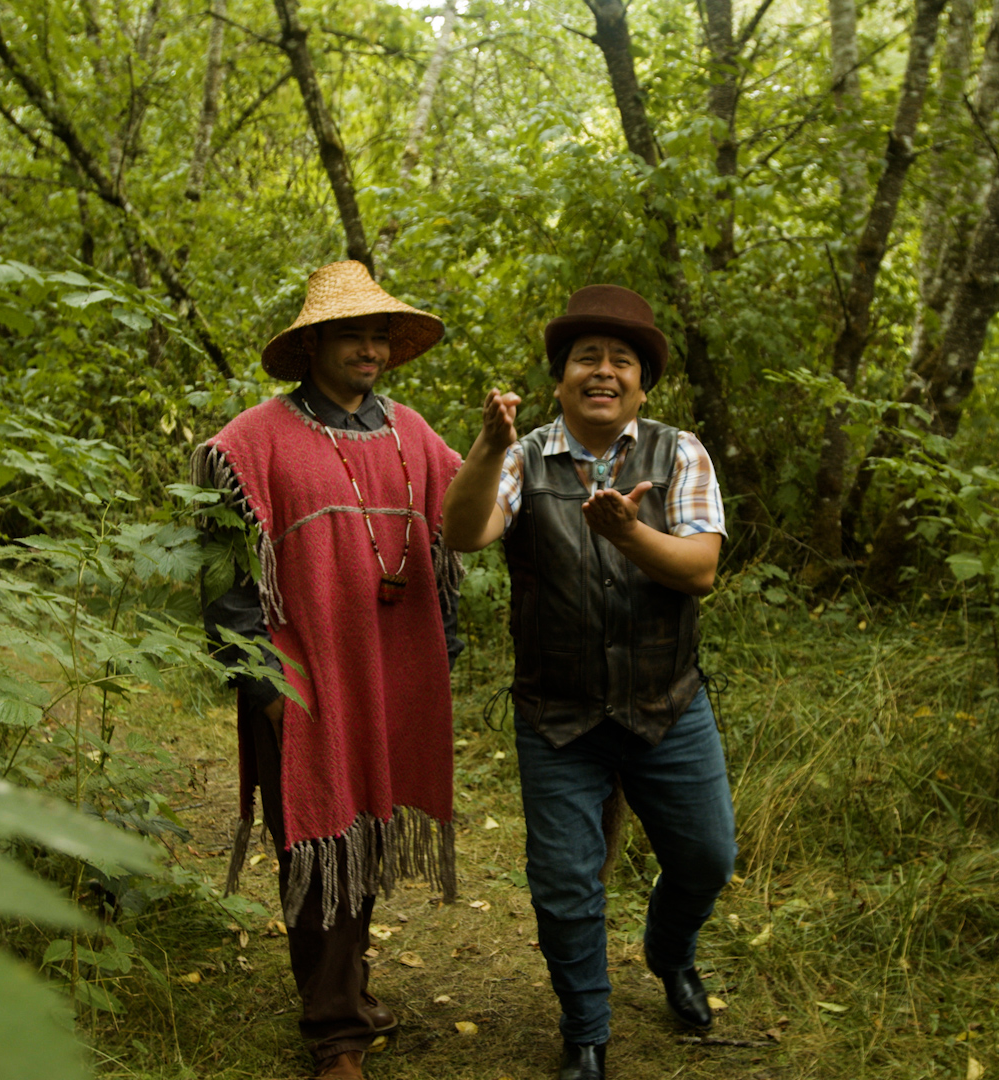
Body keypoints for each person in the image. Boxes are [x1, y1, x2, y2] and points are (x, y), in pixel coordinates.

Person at [441, 285, 737, 1080]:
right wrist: (485, 447)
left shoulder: (680, 452)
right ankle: (586, 1033)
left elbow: (701, 570)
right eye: (586, 359)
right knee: (565, 881)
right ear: (560, 377)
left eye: (620, 361)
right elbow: (465, 533)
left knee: (707, 857)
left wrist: (632, 533)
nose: (602, 372)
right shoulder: (523, 455)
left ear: (643, 383)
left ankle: (669, 953)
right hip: (558, 712)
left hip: (666, 704)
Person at [193, 260, 462, 1080]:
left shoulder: (411, 433)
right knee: (314, 839)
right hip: (301, 681)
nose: (371, 348)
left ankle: (346, 992)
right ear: (312, 344)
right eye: (353, 333)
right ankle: (334, 1034)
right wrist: (265, 686)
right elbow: (225, 576)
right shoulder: (251, 442)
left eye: (380, 334)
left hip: (391, 673)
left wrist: (441, 649)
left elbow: (468, 525)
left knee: (367, 834)